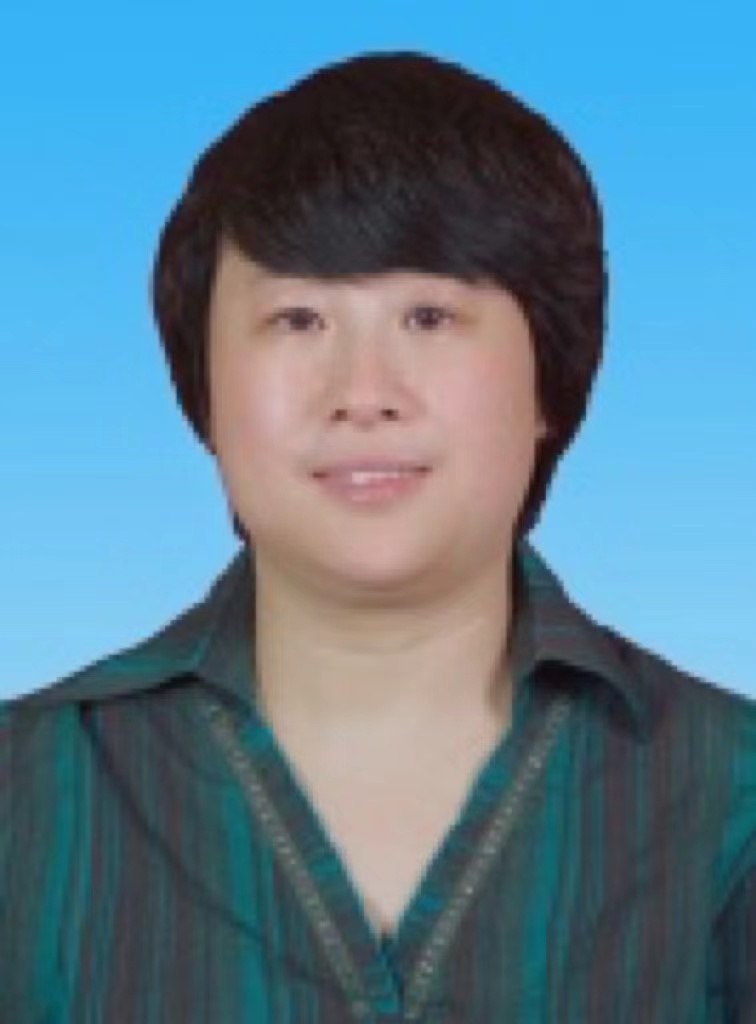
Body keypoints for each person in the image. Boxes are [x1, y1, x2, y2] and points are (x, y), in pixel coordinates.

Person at [1, 50, 754, 1023]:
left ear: (549, 381)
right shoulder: (28, 796)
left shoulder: (727, 796)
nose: (363, 394)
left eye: (430, 316)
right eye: (298, 319)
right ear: (205, 390)